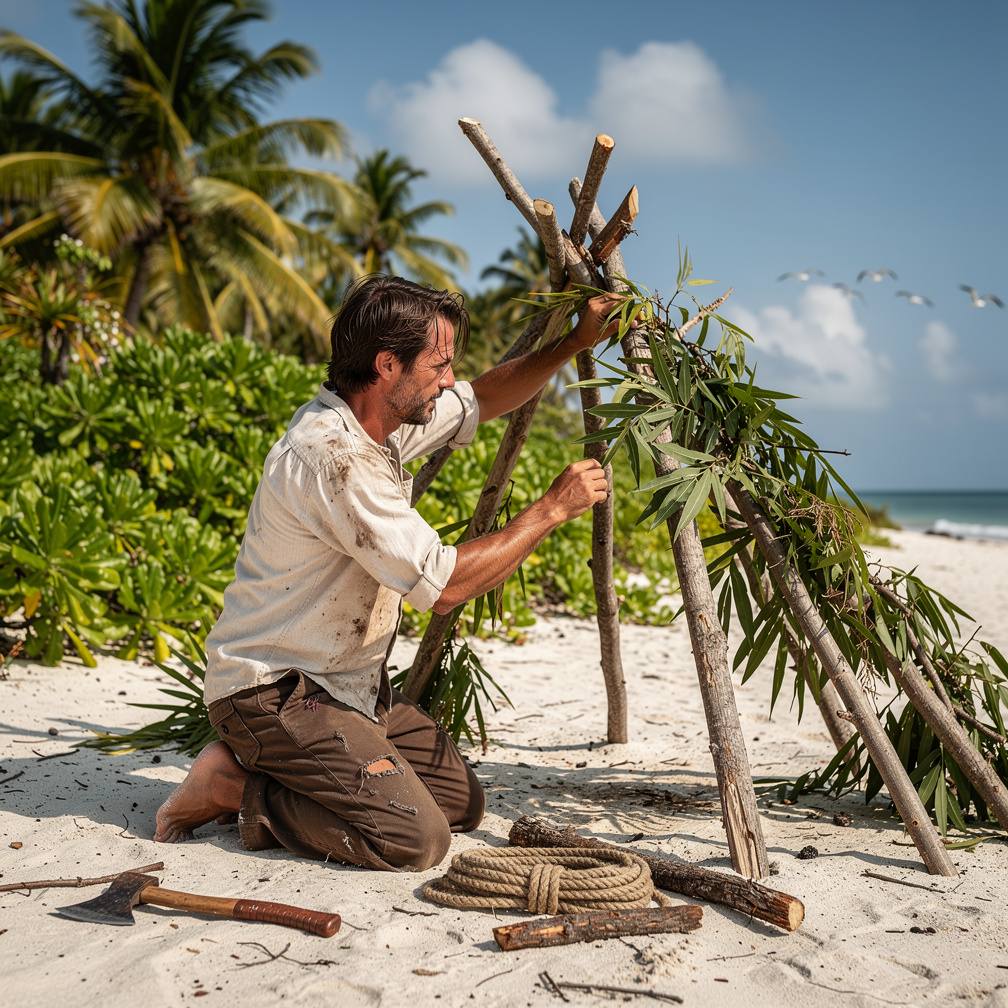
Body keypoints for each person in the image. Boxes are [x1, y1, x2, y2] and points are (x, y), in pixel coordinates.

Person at [154, 273, 625, 871]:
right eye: (439, 366)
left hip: (347, 689)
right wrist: (551, 510)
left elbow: (481, 396)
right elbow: (446, 586)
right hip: (273, 692)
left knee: (459, 803)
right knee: (415, 839)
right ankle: (228, 787)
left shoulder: (381, 421)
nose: (448, 380)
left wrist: (571, 345)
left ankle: (278, 771)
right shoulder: (335, 457)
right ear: (386, 365)